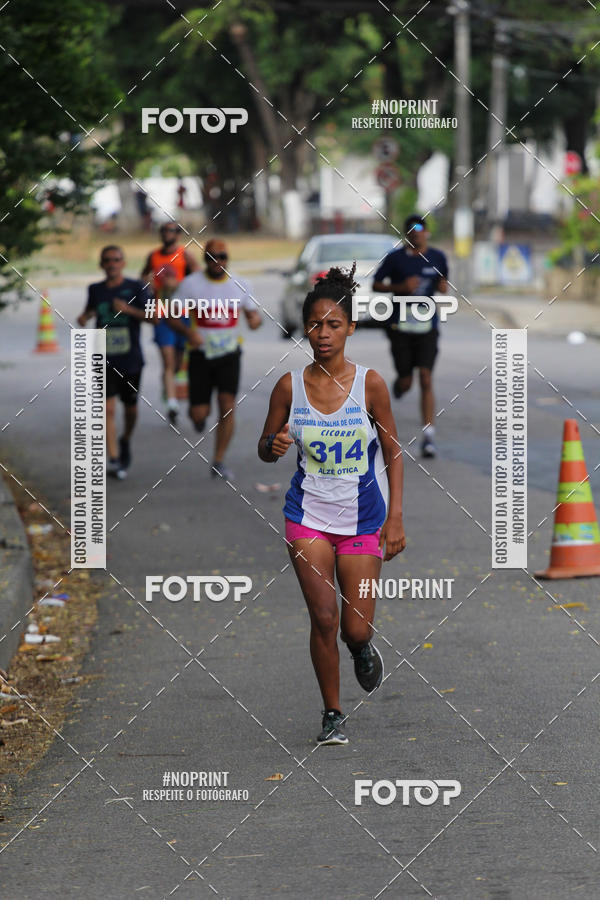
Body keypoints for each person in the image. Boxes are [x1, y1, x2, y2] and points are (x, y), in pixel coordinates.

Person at [258, 265, 406, 746]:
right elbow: (265, 444)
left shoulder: (371, 386)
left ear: (351, 329)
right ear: (305, 327)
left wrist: (396, 516)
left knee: (355, 627)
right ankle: (333, 712)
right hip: (308, 517)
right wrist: (273, 446)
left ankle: (361, 648)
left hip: (364, 519)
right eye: (316, 324)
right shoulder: (289, 387)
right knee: (323, 618)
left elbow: (392, 451)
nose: (323, 334)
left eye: (334, 324)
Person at [167, 238, 262, 480]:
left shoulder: (241, 284)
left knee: (227, 406)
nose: (217, 261)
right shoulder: (191, 285)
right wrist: (189, 332)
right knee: (199, 412)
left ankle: (218, 461)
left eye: (222, 256)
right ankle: (198, 418)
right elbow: (171, 316)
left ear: (228, 258)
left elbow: (253, 315)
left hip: (230, 354)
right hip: (200, 355)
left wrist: (254, 321)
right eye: (211, 257)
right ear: (204, 260)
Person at [373, 214, 448, 458]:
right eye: (411, 230)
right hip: (400, 327)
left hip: (428, 327)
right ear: (406, 235)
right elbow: (376, 284)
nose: (416, 234)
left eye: (420, 229)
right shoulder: (395, 259)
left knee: (426, 377)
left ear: (426, 232)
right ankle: (400, 385)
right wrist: (400, 288)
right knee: (407, 381)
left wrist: (442, 286)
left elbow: (442, 282)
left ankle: (429, 436)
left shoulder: (437, 257)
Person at [77, 245, 151, 479]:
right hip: (104, 357)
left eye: (116, 259)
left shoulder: (136, 287)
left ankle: (126, 438)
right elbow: (89, 311)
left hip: (131, 359)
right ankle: (114, 458)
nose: (112, 264)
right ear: (101, 264)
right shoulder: (95, 289)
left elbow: (155, 318)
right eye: (107, 260)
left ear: (123, 262)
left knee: (130, 409)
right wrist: (84, 316)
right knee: (107, 409)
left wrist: (128, 309)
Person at [141, 223, 198, 425]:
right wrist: (149, 285)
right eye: (164, 231)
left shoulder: (186, 256)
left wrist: (179, 286)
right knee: (167, 359)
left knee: (178, 360)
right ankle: (172, 404)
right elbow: (143, 277)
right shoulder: (153, 256)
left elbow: (199, 280)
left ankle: (169, 388)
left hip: (182, 315)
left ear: (178, 235)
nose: (167, 234)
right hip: (162, 315)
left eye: (171, 231)